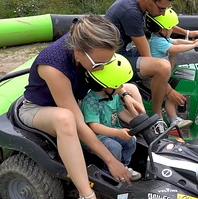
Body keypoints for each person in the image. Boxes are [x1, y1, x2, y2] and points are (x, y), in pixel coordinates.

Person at [18, 15, 145, 199]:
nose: (102, 68)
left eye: (106, 63)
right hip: (38, 109)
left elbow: (110, 75)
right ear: (78, 52)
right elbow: (77, 121)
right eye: (99, 65)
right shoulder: (53, 66)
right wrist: (110, 161)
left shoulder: (89, 46)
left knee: (132, 87)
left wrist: (124, 93)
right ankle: (86, 193)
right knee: (66, 120)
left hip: (74, 99)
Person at [105, 0, 198, 134]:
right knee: (161, 67)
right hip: (113, 62)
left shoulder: (141, 5)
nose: (162, 13)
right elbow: (148, 57)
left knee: (164, 54)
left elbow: (162, 23)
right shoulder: (131, 12)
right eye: (161, 9)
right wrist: (168, 91)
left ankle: (156, 87)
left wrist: (187, 34)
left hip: (124, 52)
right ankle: (157, 118)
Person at [80, 54, 142, 181]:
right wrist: (117, 132)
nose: (121, 88)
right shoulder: (90, 101)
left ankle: (123, 166)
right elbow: (94, 127)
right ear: (105, 85)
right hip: (97, 137)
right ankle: (108, 174)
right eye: (117, 85)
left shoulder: (113, 96)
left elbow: (120, 112)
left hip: (113, 132)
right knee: (115, 147)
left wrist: (137, 121)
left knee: (131, 141)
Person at [146, 8, 198, 128]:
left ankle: (173, 118)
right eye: (171, 27)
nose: (172, 30)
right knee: (170, 96)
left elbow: (176, 42)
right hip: (156, 76)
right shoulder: (157, 41)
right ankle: (174, 119)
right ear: (163, 29)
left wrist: (192, 42)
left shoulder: (162, 38)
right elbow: (174, 49)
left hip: (164, 71)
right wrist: (193, 46)